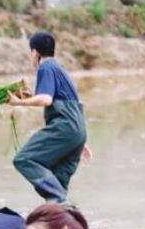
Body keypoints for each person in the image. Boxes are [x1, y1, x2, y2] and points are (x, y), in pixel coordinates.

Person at [8, 31, 91, 204]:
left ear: (34, 52)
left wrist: (18, 103)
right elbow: (73, 102)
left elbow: (46, 99)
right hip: (76, 131)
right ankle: (66, 217)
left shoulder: (45, 68)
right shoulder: (59, 69)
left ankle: (62, 203)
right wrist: (80, 140)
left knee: (24, 159)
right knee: (57, 182)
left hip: (65, 128)